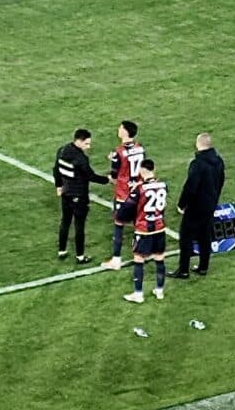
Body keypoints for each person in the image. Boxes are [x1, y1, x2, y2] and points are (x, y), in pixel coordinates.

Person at [168, 132, 225, 279]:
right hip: (210, 204)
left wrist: (182, 204)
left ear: (198, 144)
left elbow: (190, 187)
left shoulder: (198, 164)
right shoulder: (219, 161)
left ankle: (184, 270)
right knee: (204, 236)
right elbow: (220, 182)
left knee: (186, 237)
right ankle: (203, 267)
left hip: (196, 207)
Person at [54, 128, 112, 264]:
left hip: (66, 193)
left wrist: (58, 185)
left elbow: (56, 169)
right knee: (79, 226)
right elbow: (90, 176)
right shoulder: (81, 159)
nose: (89, 147)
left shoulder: (62, 150)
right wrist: (107, 180)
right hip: (79, 195)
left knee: (65, 221)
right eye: (86, 143)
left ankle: (62, 250)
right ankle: (80, 256)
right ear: (79, 141)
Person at [118, 159, 168, 303]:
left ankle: (138, 294)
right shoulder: (163, 185)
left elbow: (127, 209)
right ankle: (159, 290)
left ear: (142, 170)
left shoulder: (139, 189)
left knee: (139, 259)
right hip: (159, 227)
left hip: (144, 229)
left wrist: (121, 217)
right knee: (159, 258)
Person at [101, 120, 145, 271]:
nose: (118, 130)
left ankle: (116, 260)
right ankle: (145, 252)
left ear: (125, 132)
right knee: (139, 223)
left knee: (119, 225)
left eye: (120, 128)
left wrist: (113, 163)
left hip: (123, 193)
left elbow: (114, 175)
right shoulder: (140, 148)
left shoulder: (118, 152)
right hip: (137, 190)